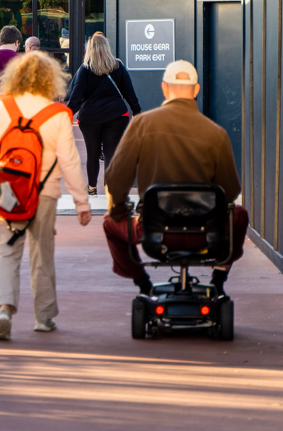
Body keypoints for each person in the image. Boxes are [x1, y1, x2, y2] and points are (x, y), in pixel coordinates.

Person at [0, 51, 92, 340]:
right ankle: (44, 317)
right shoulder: (58, 114)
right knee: (42, 254)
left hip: (6, 191)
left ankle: (3, 308)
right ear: (50, 79)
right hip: (45, 194)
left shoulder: (0, 108)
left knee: (5, 248)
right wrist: (81, 201)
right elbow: (70, 161)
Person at [102, 60, 248, 300]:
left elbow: (116, 178)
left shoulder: (142, 124)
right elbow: (230, 192)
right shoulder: (216, 133)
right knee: (240, 215)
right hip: (206, 233)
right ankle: (218, 280)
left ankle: (143, 284)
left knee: (110, 223)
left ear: (164, 88)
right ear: (196, 90)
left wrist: (119, 211)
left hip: (154, 232)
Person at [65, 32, 142, 196]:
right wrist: (137, 112)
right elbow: (129, 93)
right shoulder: (118, 66)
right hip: (116, 116)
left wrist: (66, 115)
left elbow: (76, 97)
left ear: (90, 49)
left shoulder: (85, 69)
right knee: (111, 152)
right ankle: (110, 189)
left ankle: (92, 188)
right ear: (107, 48)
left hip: (90, 118)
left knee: (92, 153)